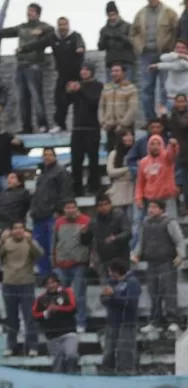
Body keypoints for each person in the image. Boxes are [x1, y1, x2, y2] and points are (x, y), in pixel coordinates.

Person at [131, 199, 185, 334]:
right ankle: (155, 321)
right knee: (153, 292)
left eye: (154, 206)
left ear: (162, 209)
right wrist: (136, 254)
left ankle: (173, 320)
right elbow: (141, 242)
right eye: (150, 207)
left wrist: (180, 255)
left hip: (167, 262)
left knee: (169, 291)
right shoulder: (145, 223)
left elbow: (179, 240)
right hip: (152, 262)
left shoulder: (169, 222)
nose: (151, 209)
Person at [0, 3, 54, 133]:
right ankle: (26, 127)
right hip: (21, 65)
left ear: (38, 13)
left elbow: (53, 32)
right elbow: (6, 32)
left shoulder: (43, 26)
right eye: (28, 11)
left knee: (36, 97)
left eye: (32, 11)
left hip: (34, 65)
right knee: (22, 98)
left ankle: (43, 125)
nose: (29, 13)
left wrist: (43, 31)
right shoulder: (22, 27)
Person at [130, 0, 180, 121]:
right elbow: (133, 33)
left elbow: (177, 31)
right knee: (146, 88)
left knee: (165, 87)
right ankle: (150, 120)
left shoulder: (169, 12)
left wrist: (171, 46)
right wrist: (139, 46)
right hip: (146, 54)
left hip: (165, 54)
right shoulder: (140, 14)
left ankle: (164, 118)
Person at [1, 221, 44, 357]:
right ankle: (10, 346)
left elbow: (40, 254)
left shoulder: (29, 241)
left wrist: (31, 241)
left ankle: (33, 347)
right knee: (11, 318)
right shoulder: (6, 243)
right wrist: (1, 240)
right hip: (9, 284)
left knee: (29, 317)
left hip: (26, 284)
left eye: (21, 228)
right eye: (15, 228)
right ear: (11, 230)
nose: (18, 231)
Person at [51, 200, 92, 333]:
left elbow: (91, 241)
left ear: (76, 208)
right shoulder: (58, 222)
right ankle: (64, 322)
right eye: (67, 208)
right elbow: (54, 242)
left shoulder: (86, 220)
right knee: (61, 295)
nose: (70, 210)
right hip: (62, 264)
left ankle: (81, 322)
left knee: (79, 294)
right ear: (64, 209)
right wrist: (54, 260)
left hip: (79, 263)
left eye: (72, 207)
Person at [31, 147, 72, 277]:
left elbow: (65, 192)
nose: (47, 157)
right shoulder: (42, 174)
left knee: (53, 250)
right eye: (45, 155)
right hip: (38, 217)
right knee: (39, 251)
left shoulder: (61, 172)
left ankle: (56, 279)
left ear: (55, 156)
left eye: (50, 155)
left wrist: (58, 210)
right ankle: (44, 278)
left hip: (51, 216)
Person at [67, 64, 104, 198]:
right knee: (76, 160)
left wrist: (80, 89)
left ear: (92, 72)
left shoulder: (98, 85)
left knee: (93, 160)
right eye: (82, 69)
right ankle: (77, 189)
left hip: (92, 128)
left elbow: (94, 101)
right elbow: (65, 102)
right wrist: (69, 90)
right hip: (77, 129)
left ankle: (94, 186)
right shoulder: (78, 86)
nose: (83, 72)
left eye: (86, 70)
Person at [31, 273, 79, 373]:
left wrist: (58, 308)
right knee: (58, 363)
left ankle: (73, 377)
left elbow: (73, 307)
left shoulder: (67, 292)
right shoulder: (41, 298)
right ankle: (58, 384)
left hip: (69, 334)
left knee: (71, 355)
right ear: (45, 286)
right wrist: (46, 312)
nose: (51, 285)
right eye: (48, 283)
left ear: (58, 282)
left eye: (53, 282)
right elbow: (35, 315)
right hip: (52, 337)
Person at [100, 257, 141, 374]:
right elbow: (103, 299)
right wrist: (107, 296)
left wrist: (113, 296)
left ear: (116, 271)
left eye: (110, 271)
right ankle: (107, 373)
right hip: (112, 322)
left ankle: (126, 373)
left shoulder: (132, 282)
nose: (109, 274)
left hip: (127, 323)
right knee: (109, 351)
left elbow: (131, 302)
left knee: (125, 351)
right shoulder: (111, 282)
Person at [100, 64, 138, 153]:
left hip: (125, 127)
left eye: (117, 71)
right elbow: (101, 107)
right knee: (111, 153)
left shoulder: (130, 88)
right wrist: (103, 122)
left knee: (126, 152)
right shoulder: (106, 87)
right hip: (110, 126)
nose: (114, 73)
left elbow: (132, 108)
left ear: (123, 73)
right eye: (112, 71)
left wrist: (123, 124)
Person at [99, 2, 135, 82]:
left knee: (126, 88)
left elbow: (133, 43)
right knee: (111, 89)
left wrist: (121, 36)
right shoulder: (104, 30)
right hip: (111, 63)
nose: (112, 17)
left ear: (117, 14)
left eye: (113, 14)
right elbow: (100, 47)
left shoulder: (128, 26)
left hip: (126, 62)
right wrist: (105, 38)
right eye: (109, 15)